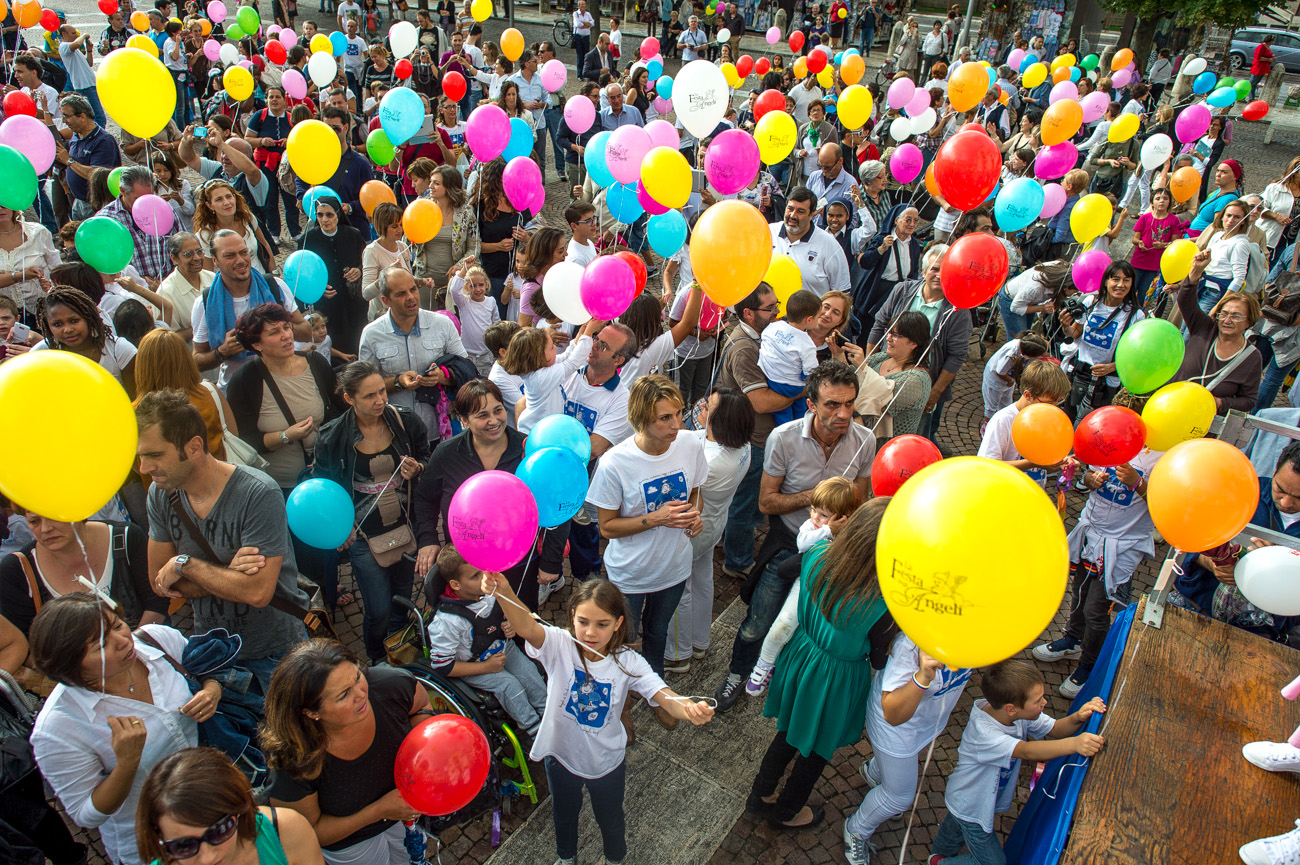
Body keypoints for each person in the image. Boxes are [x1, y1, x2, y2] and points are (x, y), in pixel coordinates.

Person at [487, 574, 714, 865]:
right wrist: (504, 591)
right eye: (583, 622)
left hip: (606, 763)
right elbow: (527, 627)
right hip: (560, 756)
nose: (590, 633)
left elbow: (663, 695)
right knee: (563, 814)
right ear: (572, 617)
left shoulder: (629, 662)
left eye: (602, 624)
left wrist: (689, 708)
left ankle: (614, 859)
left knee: (610, 818)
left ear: (618, 623)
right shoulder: (559, 643)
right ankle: (566, 858)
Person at [715, 361, 875, 711]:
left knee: (807, 628)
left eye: (849, 403)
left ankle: (783, 678)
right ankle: (738, 674)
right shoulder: (783, 438)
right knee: (757, 623)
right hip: (787, 546)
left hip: (834, 554)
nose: (844, 414)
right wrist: (814, 497)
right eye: (832, 404)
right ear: (811, 404)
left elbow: (860, 502)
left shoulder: (865, 440)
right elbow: (766, 502)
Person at [29, 594, 223, 865]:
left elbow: (207, 669)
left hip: (218, 805)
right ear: (70, 666)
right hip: (158, 846)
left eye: (117, 625)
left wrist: (212, 690)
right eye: (101, 645)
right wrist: (126, 764)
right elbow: (87, 814)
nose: (123, 640)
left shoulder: (155, 640)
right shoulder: (58, 729)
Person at [138, 389, 311, 685]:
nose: (144, 468)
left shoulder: (258, 492)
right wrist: (230, 572)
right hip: (215, 654)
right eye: (141, 456)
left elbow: (257, 593)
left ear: (194, 447)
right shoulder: (160, 494)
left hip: (276, 652)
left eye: (155, 455)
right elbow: (161, 582)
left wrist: (186, 565)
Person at [745, 499, 894, 830]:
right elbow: (879, 658)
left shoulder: (817, 555)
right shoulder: (882, 601)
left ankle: (759, 795)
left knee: (788, 732)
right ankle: (787, 812)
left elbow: (785, 570)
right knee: (817, 749)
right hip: (837, 677)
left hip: (801, 655)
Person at [262, 639, 434, 864]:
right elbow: (307, 831)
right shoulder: (295, 758)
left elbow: (421, 706)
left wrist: (422, 756)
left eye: (357, 677)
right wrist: (379, 811)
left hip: (404, 818)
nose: (361, 694)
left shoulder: (390, 685)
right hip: (351, 845)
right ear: (311, 713)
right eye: (343, 695)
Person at [587, 375, 708, 689]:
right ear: (641, 419)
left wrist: (694, 516)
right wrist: (655, 519)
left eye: (679, 413)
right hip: (630, 575)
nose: (676, 425)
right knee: (623, 640)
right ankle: (621, 695)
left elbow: (696, 491)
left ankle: (655, 689)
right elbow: (607, 527)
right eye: (665, 418)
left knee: (658, 633)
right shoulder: (615, 463)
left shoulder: (690, 444)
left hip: (674, 569)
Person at [311, 361, 431, 663]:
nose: (380, 400)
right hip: (363, 536)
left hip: (405, 526)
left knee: (401, 601)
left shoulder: (405, 420)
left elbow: (427, 456)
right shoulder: (332, 436)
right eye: (369, 396)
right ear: (348, 398)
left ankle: (400, 652)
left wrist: (418, 467)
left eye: (382, 391)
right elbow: (324, 490)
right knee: (378, 609)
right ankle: (377, 659)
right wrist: (341, 526)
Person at [931, 661, 1106, 864]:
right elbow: (1027, 751)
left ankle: (938, 854)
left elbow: (1056, 729)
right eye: (1038, 700)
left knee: (954, 828)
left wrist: (1078, 717)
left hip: (968, 799)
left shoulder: (1014, 713)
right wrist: (1074, 744)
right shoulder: (985, 733)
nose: (1045, 703)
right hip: (971, 805)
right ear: (1012, 709)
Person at [415, 379, 565, 610]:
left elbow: (556, 506)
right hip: (466, 569)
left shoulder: (529, 453)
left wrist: (551, 562)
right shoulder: (446, 454)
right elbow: (425, 498)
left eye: (498, 410)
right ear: (464, 420)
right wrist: (427, 539)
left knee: (519, 623)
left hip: (519, 564)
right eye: (482, 415)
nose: (494, 421)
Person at [844, 631, 972, 864]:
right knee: (899, 798)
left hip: (925, 723)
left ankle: (874, 772)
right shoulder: (910, 645)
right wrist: (922, 677)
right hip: (896, 730)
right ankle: (856, 829)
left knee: (897, 770)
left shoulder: (980, 637)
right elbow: (892, 714)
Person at [744, 476, 859, 697]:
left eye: (823, 515)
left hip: (831, 594)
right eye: (814, 509)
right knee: (782, 625)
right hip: (805, 585)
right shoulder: (811, 527)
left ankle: (787, 668)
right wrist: (827, 530)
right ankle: (763, 664)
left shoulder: (851, 535)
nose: (814, 517)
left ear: (844, 517)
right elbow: (803, 544)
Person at [665, 386, 753, 672]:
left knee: (678, 590)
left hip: (695, 531)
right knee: (703, 580)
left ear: (722, 420)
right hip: (715, 524)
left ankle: (677, 654)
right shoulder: (744, 446)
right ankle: (699, 642)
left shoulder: (711, 462)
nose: (700, 407)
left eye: (708, 407)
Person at [427, 545, 547, 734]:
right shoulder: (447, 621)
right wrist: (486, 667)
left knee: (530, 674)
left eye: (484, 570)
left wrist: (509, 625)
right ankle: (533, 729)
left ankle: (549, 713)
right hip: (474, 665)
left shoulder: (490, 591)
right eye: (476, 576)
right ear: (456, 585)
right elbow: (443, 666)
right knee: (509, 686)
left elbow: (504, 615)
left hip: (503, 648)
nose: (485, 578)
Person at [135, 747, 325, 865]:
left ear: (240, 810)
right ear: (159, 837)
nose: (207, 858)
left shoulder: (287, 832)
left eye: (219, 831)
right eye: (183, 846)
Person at [226, 303, 345, 492]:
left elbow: (339, 411)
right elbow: (243, 441)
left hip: (326, 478)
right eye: (274, 332)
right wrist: (285, 436)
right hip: (277, 488)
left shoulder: (315, 362)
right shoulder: (244, 380)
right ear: (256, 344)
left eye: (287, 327)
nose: (286, 335)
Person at [718, 284, 794, 577]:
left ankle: (727, 541)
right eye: (770, 307)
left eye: (777, 304)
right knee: (747, 506)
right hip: (753, 439)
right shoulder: (745, 349)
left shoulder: (758, 336)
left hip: (753, 434)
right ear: (748, 313)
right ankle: (737, 562)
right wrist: (800, 392)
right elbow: (761, 402)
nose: (777, 312)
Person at [0, 506, 165, 636]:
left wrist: (132, 649)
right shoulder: (17, 571)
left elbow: (157, 603)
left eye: (54, 516)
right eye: (34, 521)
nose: (45, 528)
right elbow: (25, 644)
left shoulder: (125, 538)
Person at [865, 244, 974, 441]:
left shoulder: (957, 311)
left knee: (914, 437)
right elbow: (879, 325)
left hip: (922, 387)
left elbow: (956, 356)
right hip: (886, 375)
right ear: (923, 272)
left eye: (945, 270)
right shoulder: (902, 290)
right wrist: (868, 365)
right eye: (934, 269)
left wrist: (934, 393)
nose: (939, 275)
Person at [357, 266, 470, 443]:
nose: (411, 297)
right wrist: (398, 382)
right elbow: (364, 386)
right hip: (395, 434)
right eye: (401, 294)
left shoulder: (442, 324)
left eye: (413, 289)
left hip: (441, 432)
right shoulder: (372, 334)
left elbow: (466, 368)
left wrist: (443, 376)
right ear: (386, 300)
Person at [1170, 251, 1263, 415]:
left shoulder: (1252, 357)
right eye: (1224, 313)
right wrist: (1196, 271)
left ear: (1249, 321)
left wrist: (1220, 402)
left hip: (1202, 419)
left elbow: (1248, 401)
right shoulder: (1204, 327)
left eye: (1236, 316)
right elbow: (1185, 301)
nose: (1227, 320)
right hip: (1171, 404)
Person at [1058, 260, 1145, 421]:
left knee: (1094, 423)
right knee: (1068, 418)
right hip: (1079, 374)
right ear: (1106, 281)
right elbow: (1076, 332)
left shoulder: (1136, 315)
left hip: (1106, 382)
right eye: (1115, 279)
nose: (1121, 285)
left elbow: (1136, 354)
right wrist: (1065, 326)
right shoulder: (1091, 302)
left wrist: (1112, 367)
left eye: (1126, 280)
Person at [977, 359, 1071, 491]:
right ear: (1028, 395)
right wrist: (1032, 463)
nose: (1054, 408)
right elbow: (987, 466)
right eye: (1049, 403)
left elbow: (1046, 453)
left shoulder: (1047, 417)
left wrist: (1062, 461)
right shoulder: (1003, 420)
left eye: (1058, 402)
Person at [34, 285, 139, 395]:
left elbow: (136, 398)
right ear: (48, 326)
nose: (68, 330)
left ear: (89, 318)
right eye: (57, 324)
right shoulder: (41, 354)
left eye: (74, 321)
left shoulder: (119, 350)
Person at [303, 194, 369, 356]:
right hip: (328, 301)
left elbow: (367, 260)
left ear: (338, 215)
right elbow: (303, 272)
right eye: (320, 215)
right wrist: (317, 289)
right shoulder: (309, 240)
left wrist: (359, 270)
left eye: (329, 215)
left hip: (354, 299)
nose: (324, 219)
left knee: (357, 333)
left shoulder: (353, 234)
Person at [409, 161, 476, 311]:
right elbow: (407, 240)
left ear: (450, 186)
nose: (430, 186)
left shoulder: (466, 213)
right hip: (425, 281)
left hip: (455, 282)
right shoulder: (422, 209)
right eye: (431, 182)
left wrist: (461, 265)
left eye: (436, 183)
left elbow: (474, 247)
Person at [863, 310, 934, 438]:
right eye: (889, 332)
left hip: (889, 445)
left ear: (913, 343)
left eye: (896, 335)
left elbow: (877, 403)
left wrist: (862, 368)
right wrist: (839, 355)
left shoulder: (917, 380)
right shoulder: (881, 358)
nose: (888, 338)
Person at [770, 187, 851, 296]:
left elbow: (842, 294)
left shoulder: (829, 245)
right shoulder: (768, 232)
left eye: (800, 211)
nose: (793, 215)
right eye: (790, 209)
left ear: (812, 214)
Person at [856, 205, 923, 332]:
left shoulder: (914, 244)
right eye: (908, 220)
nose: (912, 224)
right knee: (868, 329)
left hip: (898, 292)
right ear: (897, 220)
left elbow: (914, 271)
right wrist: (881, 249)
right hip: (877, 291)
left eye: (915, 221)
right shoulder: (882, 239)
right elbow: (865, 263)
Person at [758, 289, 821, 425]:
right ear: (809, 319)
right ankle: (800, 426)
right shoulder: (807, 343)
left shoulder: (773, 327)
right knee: (801, 406)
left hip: (772, 380)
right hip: (793, 386)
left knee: (782, 413)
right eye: (818, 317)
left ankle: (783, 430)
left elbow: (764, 341)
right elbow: (811, 371)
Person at [55, 94, 122, 221]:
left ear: (82, 117)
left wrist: (68, 161)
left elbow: (97, 174)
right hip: (79, 202)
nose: (64, 121)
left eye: (66, 116)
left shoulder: (103, 141)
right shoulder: (76, 135)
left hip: (96, 204)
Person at [194, 178, 271, 274]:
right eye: (219, 199)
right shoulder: (205, 236)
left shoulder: (247, 218)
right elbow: (208, 274)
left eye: (229, 196)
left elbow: (265, 244)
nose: (226, 202)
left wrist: (274, 273)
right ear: (209, 205)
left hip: (260, 277)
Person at [0, 203, 60, 323]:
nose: (0, 209)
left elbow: (58, 269)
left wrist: (51, 285)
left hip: (43, 311)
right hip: (3, 318)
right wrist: (20, 275)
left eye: (3, 204)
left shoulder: (38, 232)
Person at [1188, 158, 1242, 237]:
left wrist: (1189, 240)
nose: (1218, 175)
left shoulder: (1227, 199)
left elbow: (1216, 230)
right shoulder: (1220, 191)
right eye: (1218, 171)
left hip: (1197, 238)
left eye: (1224, 172)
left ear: (1235, 177)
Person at [1251, 34, 1275, 101]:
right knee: (1253, 83)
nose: (1273, 42)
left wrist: (1272, 58)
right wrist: (1268, 59)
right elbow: (1258, 57)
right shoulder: (1261, 47)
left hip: (1264, 68)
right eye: (1272, 41)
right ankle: (1250, 98)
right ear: (1269, 41)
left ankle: (1251, 97)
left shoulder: (1268, 47)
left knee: (1255, 83)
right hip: (1258, 67)